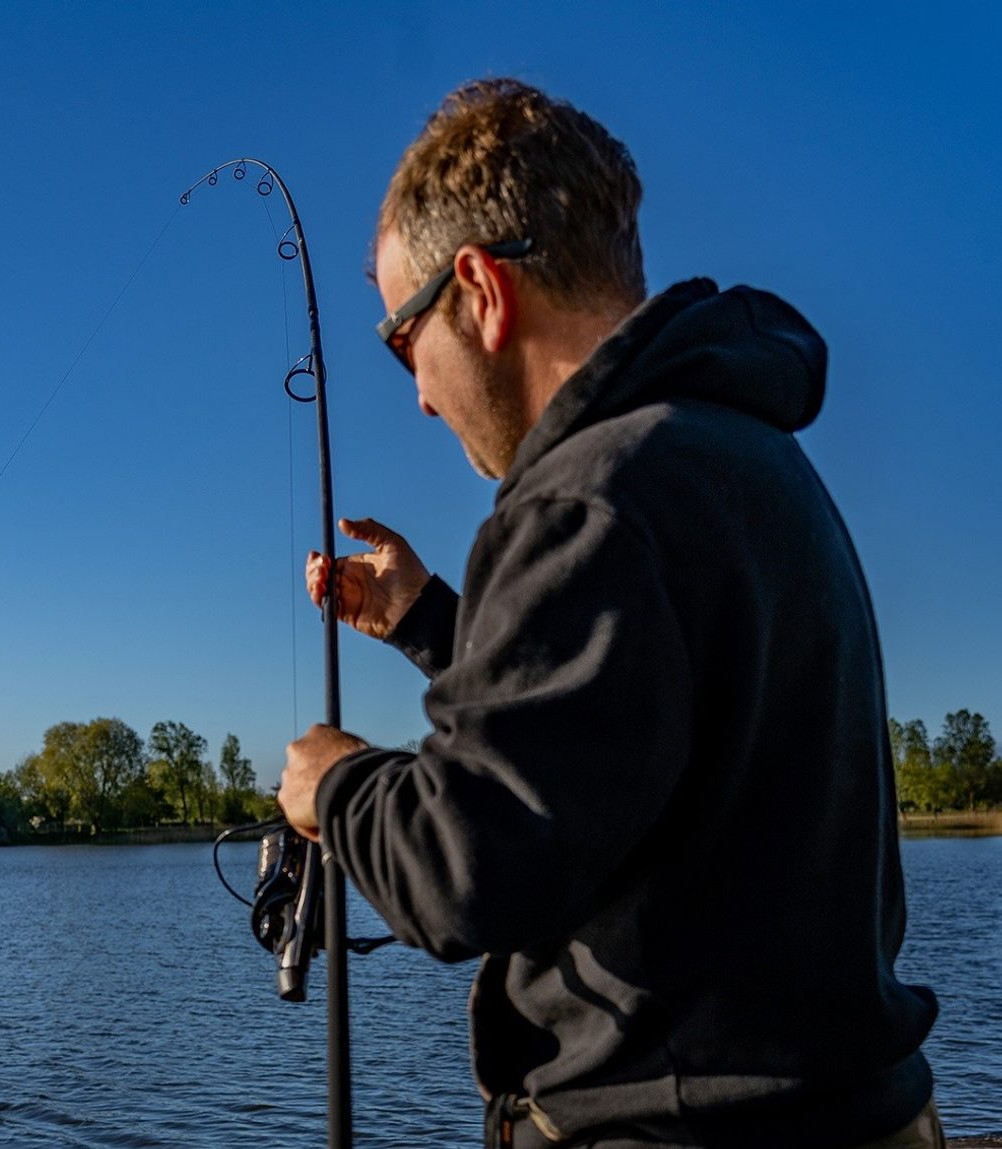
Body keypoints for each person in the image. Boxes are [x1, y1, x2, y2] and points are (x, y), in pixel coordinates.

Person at [277, 78, 940, 1149]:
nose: (417, 395)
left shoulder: (586, 499)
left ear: (481, 292)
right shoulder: (734, 452)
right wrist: (426, 621)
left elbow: (467, 867)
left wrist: (336, 783)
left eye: (402, 344)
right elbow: (623, 738)